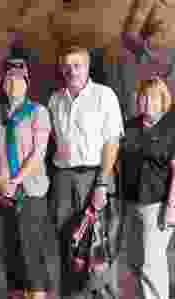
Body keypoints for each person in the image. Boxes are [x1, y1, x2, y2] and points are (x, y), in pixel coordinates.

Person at [47, 45, 124, 299]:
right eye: (67, 66)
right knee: (68, 245)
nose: (72, 71)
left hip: (95, 177)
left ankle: (106, 295)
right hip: (63, 179)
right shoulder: (55, 100)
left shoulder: (104, 95)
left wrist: (102, 183)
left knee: (99, 243)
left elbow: (112, 142)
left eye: (77, 65)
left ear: (88, 67)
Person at [0, 58, 54, 299]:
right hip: (1, 192)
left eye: (19, 79)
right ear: (2, 83)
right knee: (9, 252)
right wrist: (0, 180)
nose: (14, 84)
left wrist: (16, 180)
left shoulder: (38, 112)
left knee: (31, 251)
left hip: (29, 191)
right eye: (9, 79)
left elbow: (38, 153)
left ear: (27, 83)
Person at [118, 77, 175, 299]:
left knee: (150, 263)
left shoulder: (172, 129)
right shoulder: (129, 127)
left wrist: (171, 206)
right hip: (131, 203)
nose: (147, 102)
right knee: (135, 262)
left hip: (157, 205)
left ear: (162, 101)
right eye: (143, 97)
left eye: (153, 98)